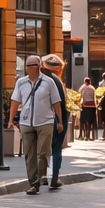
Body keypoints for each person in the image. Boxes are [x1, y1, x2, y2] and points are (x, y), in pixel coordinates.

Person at [10, 55, 64, 194]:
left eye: (32, 66)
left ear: (39, 66)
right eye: (27, 66)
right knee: (29, 154)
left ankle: (41, 177)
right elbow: (15, 101)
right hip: (26, 122)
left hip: (45, 122)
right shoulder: (21, 82)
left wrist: (60, 121)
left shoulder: (49, 82)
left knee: (42, 154)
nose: (30, 68)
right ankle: (34, 183)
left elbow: (56, 102)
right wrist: (11, 119)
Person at [42, 54, 69, 187]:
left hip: (38, 119)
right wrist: (61, 121)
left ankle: (41, 177)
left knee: (40, 149)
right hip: (55, 119)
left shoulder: (36, 79)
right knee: (56, 148)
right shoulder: (56, 81)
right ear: (58, 69)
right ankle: (55, 177)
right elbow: (60, 104)